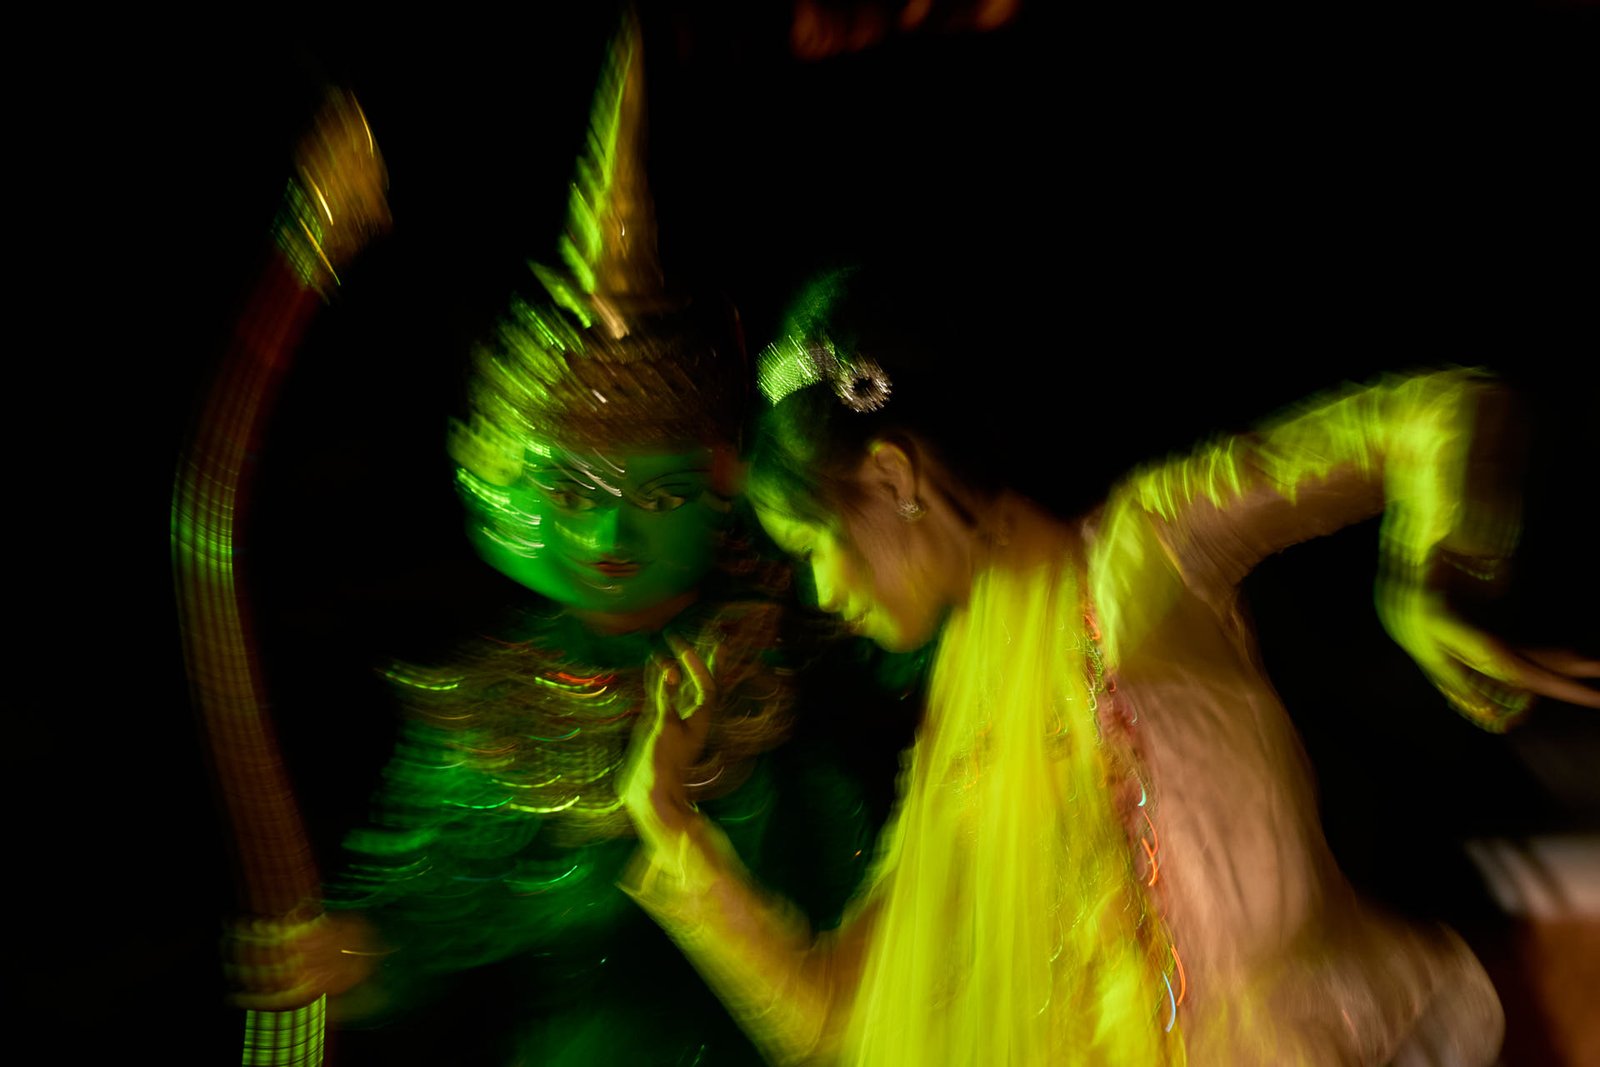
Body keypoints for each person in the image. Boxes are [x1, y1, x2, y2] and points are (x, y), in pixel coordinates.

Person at [618, 265, 1600, 1065]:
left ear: (892, 479)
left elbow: (1438, 411)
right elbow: (831, 1018)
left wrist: (1434, 577)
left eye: (812, 546)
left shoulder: (1142, 554)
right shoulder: (961, 713)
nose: (821, 592)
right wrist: (673, 833)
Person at [221, 18, 883, 1066]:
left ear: (720, 487)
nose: (612, 529)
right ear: (504, 480)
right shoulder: (492, 720)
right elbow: (426, 915)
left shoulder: (810, 628)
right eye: (574, 491)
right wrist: (355, 955)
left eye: (655, 495)